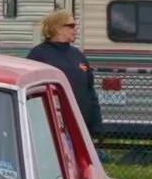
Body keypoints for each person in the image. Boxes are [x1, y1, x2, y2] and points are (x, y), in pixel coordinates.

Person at [27, 8, 106, 143]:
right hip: (50, 129)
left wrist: (97, 124)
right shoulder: (38, 55)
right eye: (71, 26)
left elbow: (90, 91)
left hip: (80, 127)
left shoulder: (79, 56)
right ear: (57, 28)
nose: (75, 29)